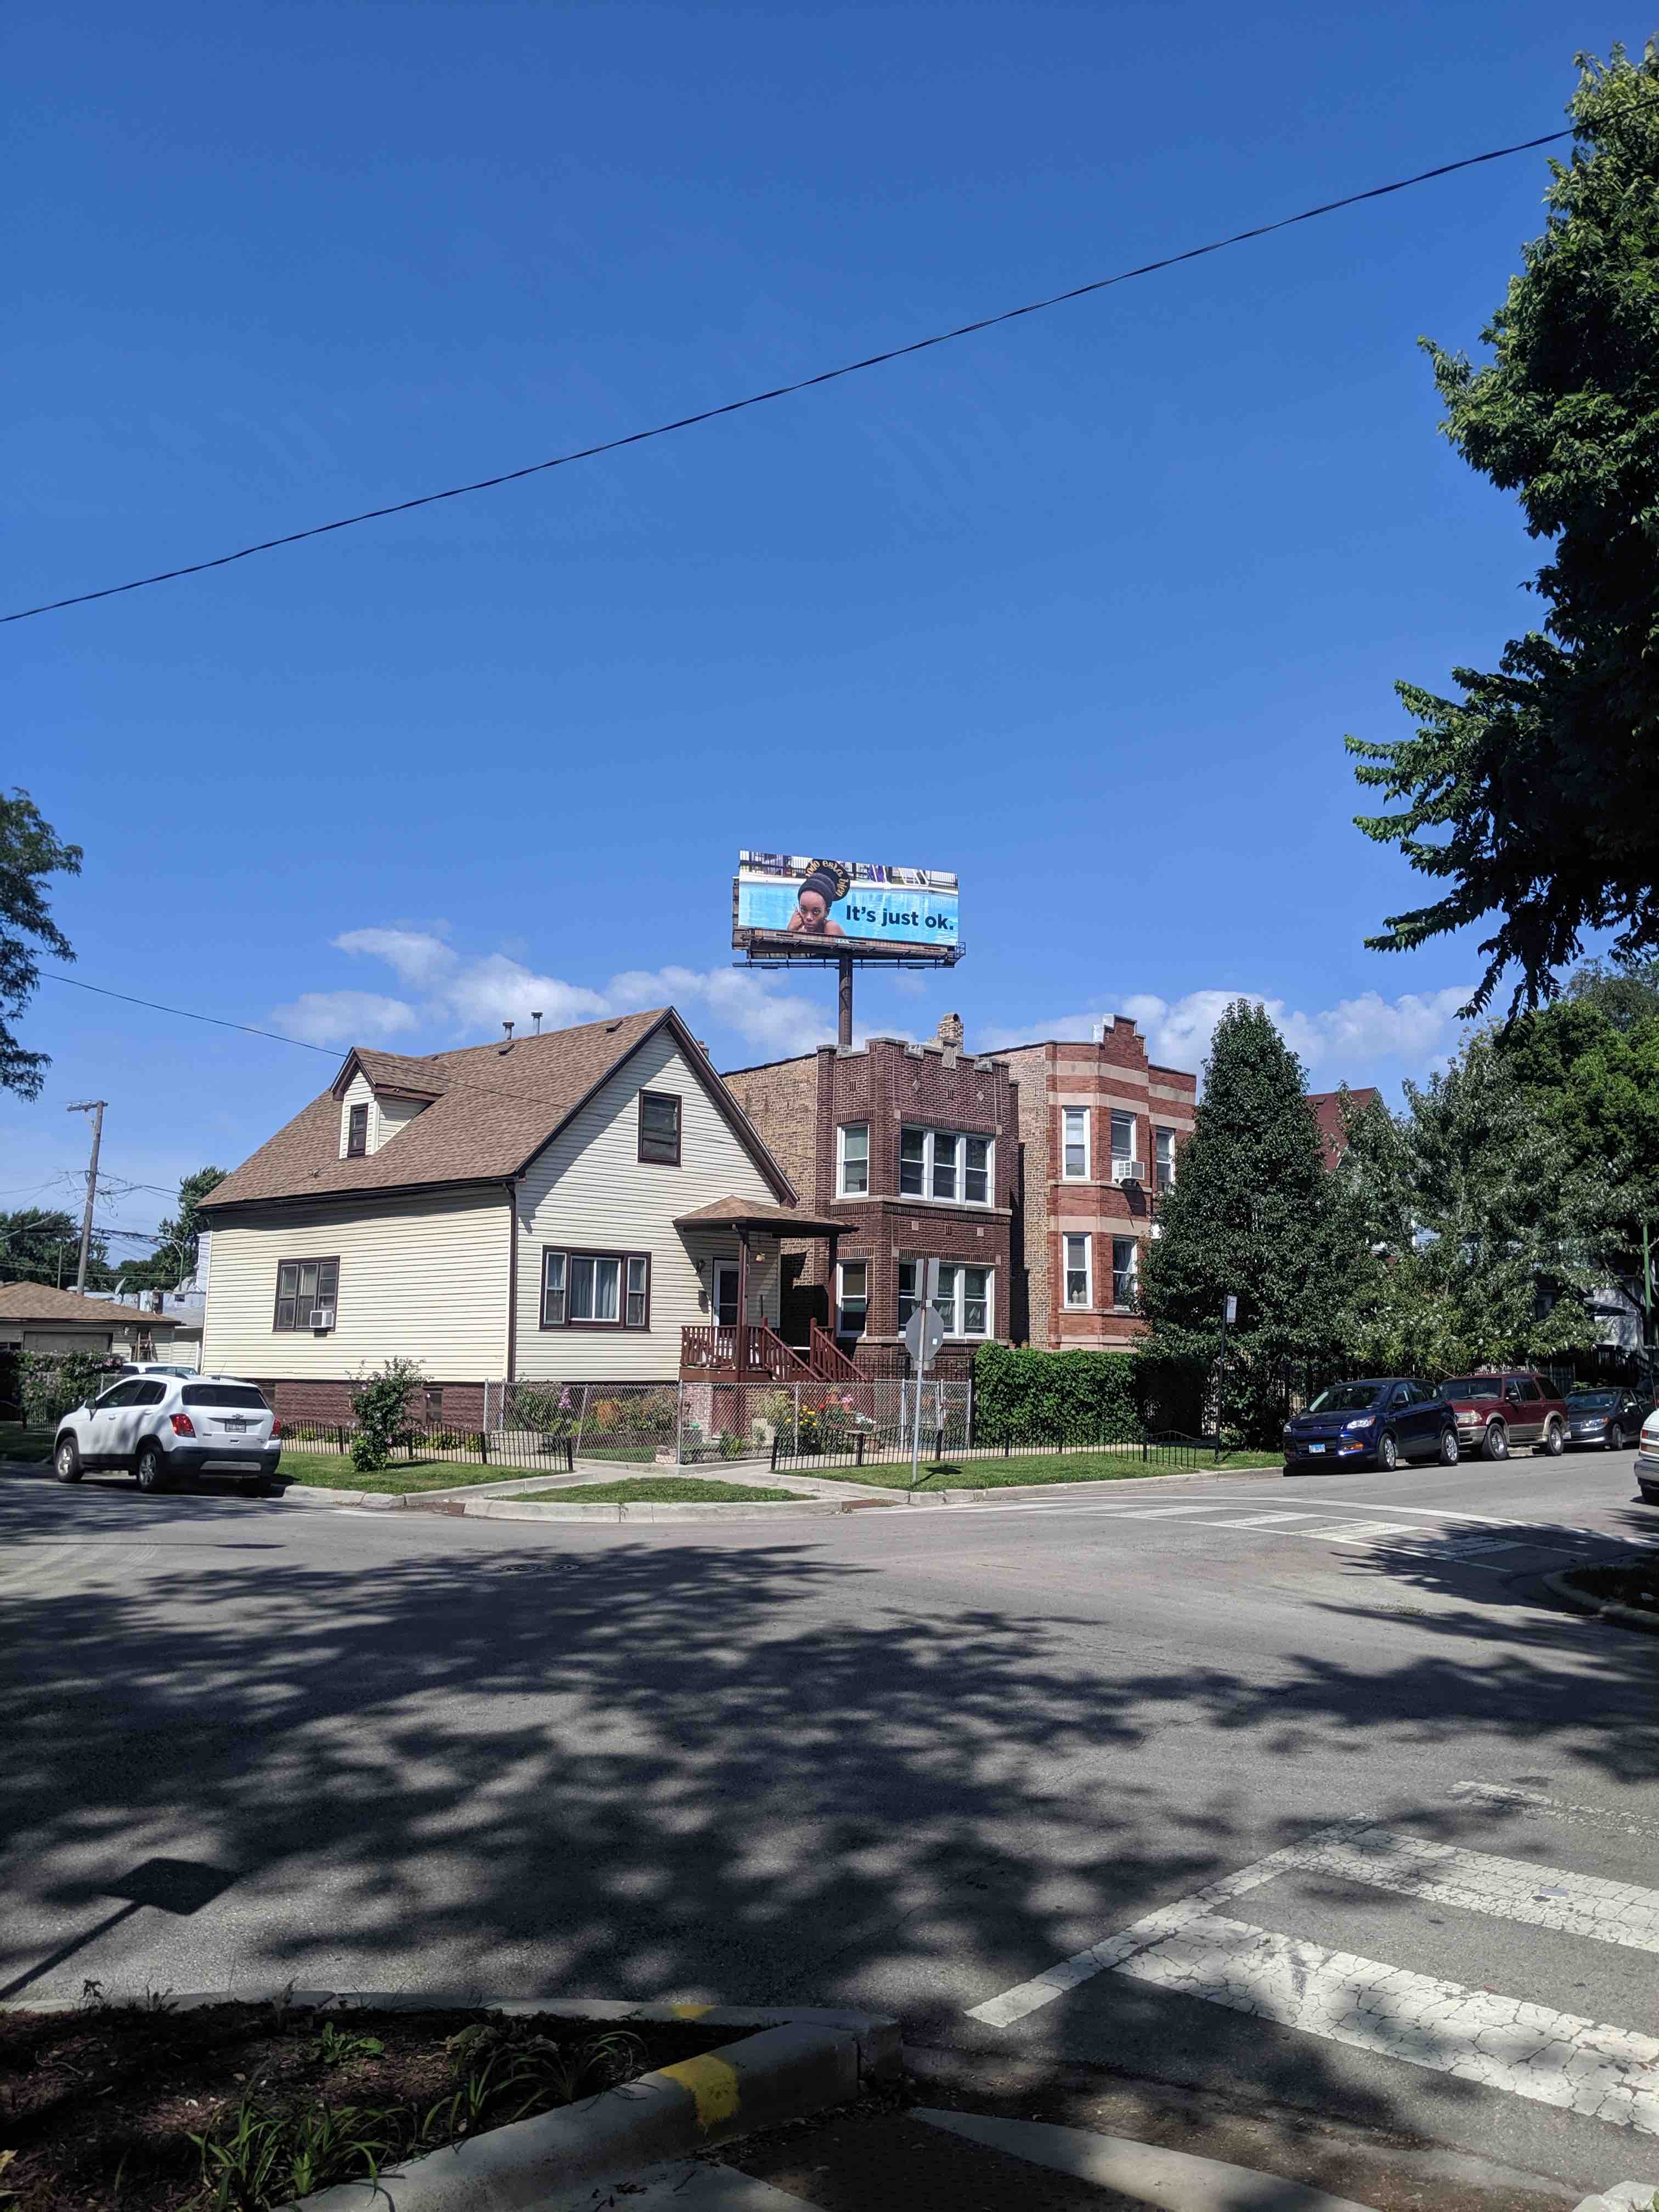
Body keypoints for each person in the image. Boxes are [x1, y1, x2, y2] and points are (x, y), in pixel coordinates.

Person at [787, 862, 850, 936]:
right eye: (803, 910)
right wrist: (790, 930)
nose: (809, 918)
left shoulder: (830, 927)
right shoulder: (802, 932)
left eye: (816, 912)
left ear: (827, 912)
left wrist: (790, 934)